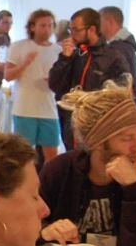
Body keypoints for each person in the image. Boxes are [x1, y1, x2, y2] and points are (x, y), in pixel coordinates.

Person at [39, 85, 136, 246]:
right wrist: (45, 230)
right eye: (126, 138)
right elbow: (24, 227)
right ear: (98, 143)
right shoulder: (60, 170)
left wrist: (134, 188)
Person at [48, 8, 130, 150]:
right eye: (70, 30)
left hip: (97, 130)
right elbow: (55, 85)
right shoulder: (74, 54)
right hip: (70, 127)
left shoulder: (113, 57)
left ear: (91, 29)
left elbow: (123, 95)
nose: (72, 35)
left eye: (76, 30)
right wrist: (65, 58)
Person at [6, 9, 62, 164]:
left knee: (52, 154)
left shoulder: (59, 50)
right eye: (43, 26)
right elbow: (8, 76)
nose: (47, 30)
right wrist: (25, 63)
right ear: (32, 27)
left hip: (49, 109)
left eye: (50, 26)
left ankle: (48, 186)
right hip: (24, 109)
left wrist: (54, 80)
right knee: (22, 155)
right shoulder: (18, 47)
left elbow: (64, 82)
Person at [99, 6, 136, 96]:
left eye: (100, 21)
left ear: (110, 21)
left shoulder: (120, 48)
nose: (98, 26)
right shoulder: (125, 46)